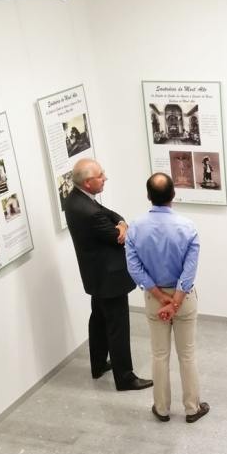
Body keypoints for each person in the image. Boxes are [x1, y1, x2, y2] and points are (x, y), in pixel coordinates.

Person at [125, 173, 209, 424]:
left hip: (154, 299)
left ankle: (161, 408)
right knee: (188, 354)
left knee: (159, 354)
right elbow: (189, 271)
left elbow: (135, 268)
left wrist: (161, 298)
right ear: (173, 195)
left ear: (149, 197)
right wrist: (175, 302)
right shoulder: (188, 227)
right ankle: (192, 408)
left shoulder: (135, 228)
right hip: (183, 300)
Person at [65, 158, 152, 392]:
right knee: (118, 327)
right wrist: (122, 228)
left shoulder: (76, 199)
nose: (105, 178)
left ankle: (98, 364)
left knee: (99, 320)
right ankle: (125, 377)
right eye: (101, 175)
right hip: (109, 278)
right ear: (88, 182)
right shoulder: (89, 212)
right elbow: (116, 236)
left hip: (95, 276)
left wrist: (121, 222)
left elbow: (109, 213)